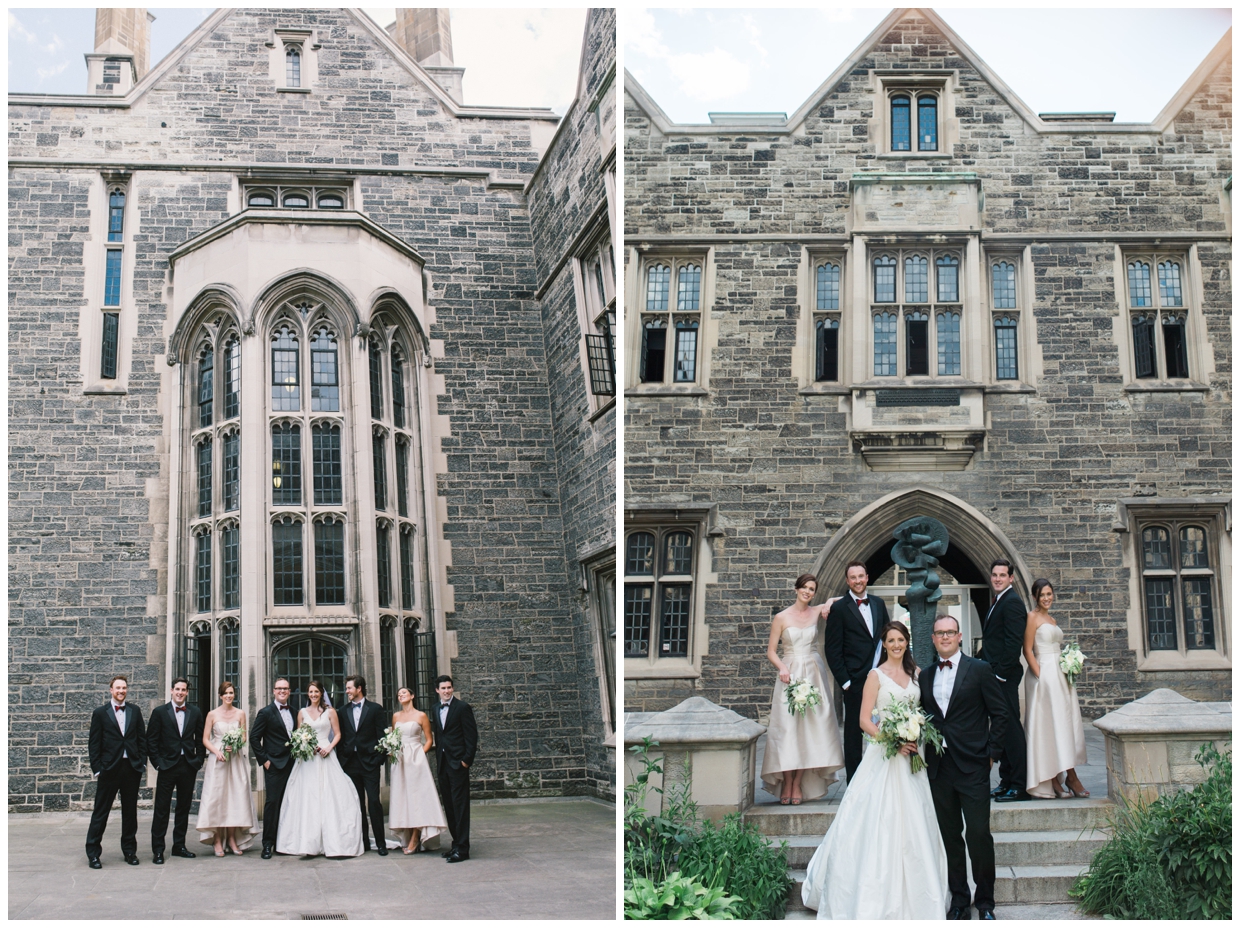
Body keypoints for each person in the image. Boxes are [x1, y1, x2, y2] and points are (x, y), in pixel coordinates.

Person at [801, 621, 949, 919]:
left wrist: (915, 734)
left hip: (912, 758)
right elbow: (864, 720)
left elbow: (923, 713)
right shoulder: (875, 675)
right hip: (885, 755)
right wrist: (892, 740)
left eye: (900, 639)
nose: (896, 645)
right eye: (891, 640)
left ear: (907, 642)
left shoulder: (917, 674)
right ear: (884, 644)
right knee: (878, 819)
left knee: (915, 819)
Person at [921, 614, 1009, 920]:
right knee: (950, 838)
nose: (944, 637)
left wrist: (991, 754)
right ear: (933, 639)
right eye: (939, 633)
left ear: (960, 636)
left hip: (973, 766)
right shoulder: (925, 676)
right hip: (939, 768)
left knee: (979, 834)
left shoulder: (980, 670)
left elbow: (1001, 714)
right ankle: (959, 900)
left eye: (950, 632)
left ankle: (985, 902)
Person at [761, 574, 844, 804]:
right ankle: (786, 781)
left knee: (808, 730)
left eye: (812, 589)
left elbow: (843, 598)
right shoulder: (781, 617)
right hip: (789, 674)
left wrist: (827, 603)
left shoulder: (816, 611)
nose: (808, 592)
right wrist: (781, 668)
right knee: (787, 730)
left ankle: (797, 783)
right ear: (796, 589)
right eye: (805, 588)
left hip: (812, 673)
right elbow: (770, 651)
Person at [276, 680, 364, 858]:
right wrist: (305, 745)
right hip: (308, 759)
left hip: (326, 754)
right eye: (311, 692)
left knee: (329, 795)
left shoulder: (331, 712)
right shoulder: (301, 713)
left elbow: (338, 734)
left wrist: (328, 748)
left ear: (322, 693)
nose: (313, 695)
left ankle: (332, 840)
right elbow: (298, 735)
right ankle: (307, 841)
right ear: (307, 694)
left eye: (316, 692)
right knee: (307, 796)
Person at [824, 560, 890, 782]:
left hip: (880, 679)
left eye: (861, 576)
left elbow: (888, 640)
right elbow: (832, 650)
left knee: (882, 727)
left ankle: (880, 778)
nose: (858, 581)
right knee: (853, 735)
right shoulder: (840, 608)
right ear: (847, 581)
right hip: (855, 683)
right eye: (853, 577)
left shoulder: (879, 604)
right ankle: (854, 782)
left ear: (867, 577)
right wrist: (845, 683)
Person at [1023, 579, 1089, 799]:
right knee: (1048, 726)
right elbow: (1028, 650)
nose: (1046, 598)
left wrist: (1069, 664)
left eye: (1049, 594)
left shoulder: (1052, 619)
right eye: (1042, 595)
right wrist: (1040, 676)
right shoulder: (1033, 617)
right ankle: (1063, 777)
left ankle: (1064, 775)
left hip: (1060, 676)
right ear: (1035, 597)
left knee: (1063, 725)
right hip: (1044, 676)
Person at [85, 674, 147, 868]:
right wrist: (97, 769)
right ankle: (93, 853)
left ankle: (130, 851)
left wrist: (142, 763)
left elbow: (141, 739)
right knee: (100, 812)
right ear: (111, 690)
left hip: (131, 769)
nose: (121, 691)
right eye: (118, 688)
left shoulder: (135, 711)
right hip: (109, 770)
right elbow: (94, 744)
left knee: (130, 813)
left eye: (124, 688)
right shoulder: (100, 713)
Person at [981, 559, 1029, 802]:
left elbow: (1013, 642)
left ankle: (1019, 786)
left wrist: (999, 674)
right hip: (994, 674)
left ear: (1011, 578)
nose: (998, 578)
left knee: (1011, 730)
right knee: (1002, 728)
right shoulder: (998, 601)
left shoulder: (1012, 603)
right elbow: (992, 641)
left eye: (1002, 575)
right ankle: (1006, 780)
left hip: (1005, 677)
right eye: (995, 575)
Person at [195, 681, 258, 856]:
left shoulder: (240, 713)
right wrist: (216, 751)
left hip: (235, 760)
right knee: (217, 798)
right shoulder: (212, 714)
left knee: (235, 798)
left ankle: (231, 838)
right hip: (219, 761)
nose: (229, 696)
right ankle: (217, 840)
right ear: (220, 696)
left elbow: (244, 736)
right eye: (226, 693)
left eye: (231, 693)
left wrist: (236, 745)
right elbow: (205, 739)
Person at [147, 676, 205, 863]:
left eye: (183, 690)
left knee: (183, 808)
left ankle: (179, 845)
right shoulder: (160, 712)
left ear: (187, 692)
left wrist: (197, 761)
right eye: (177, 689)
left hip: (187, 766)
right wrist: (158, 763)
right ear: (171, 691)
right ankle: (158, 849)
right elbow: (151, 741)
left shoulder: (195, 712)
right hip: (167, 766)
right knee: (162, 809)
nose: (180, 693)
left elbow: (199, 738)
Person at [388, 686, 448, 854]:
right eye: (399, 694)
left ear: (412, 696)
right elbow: (394, 737)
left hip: (416, 758)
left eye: (404, 693)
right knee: (404, 796)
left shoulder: (421, 715)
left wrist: (420, 754)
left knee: (417, 797)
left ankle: (416, 836)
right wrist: (392, 751)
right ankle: (407, 834)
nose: (401, 695)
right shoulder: (396, 716)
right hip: (400, 760)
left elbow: (429, 739)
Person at [336, 675, 389, 854]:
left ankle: (381, 843)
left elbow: (383, 737)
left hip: (370, 763)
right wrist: (343, 759)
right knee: (357, 805)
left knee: (374, 802)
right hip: (350, 764)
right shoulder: (342, 711)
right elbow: (340, 736)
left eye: (350, 688)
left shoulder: (375, 709)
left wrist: (378, 760)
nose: (347, 691)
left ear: (359, 688)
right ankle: (363, 841)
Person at [429, 675, 478, 863]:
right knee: (449, 806)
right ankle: (455, 844)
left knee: (460, 807)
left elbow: (471, 736)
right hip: (443, 764)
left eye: (449, 687)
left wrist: (466, 761)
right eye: (443, 688)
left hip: (458, 764)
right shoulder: (435, 708)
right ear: (437, 690)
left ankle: (463, 849)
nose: (447, 691)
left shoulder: (462, 708)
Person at [250, 677, 297, 859]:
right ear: (273, 691)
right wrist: (265, 761)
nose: (282, 691)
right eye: (279, 688)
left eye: (285, 688)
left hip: (293, 765)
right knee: (272, 803)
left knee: (291, 803)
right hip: (274, 765)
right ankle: (267, 844)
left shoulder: (295, 712)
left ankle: (284, 842)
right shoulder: (265, 712)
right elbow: (254, 738)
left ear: (289, 691)